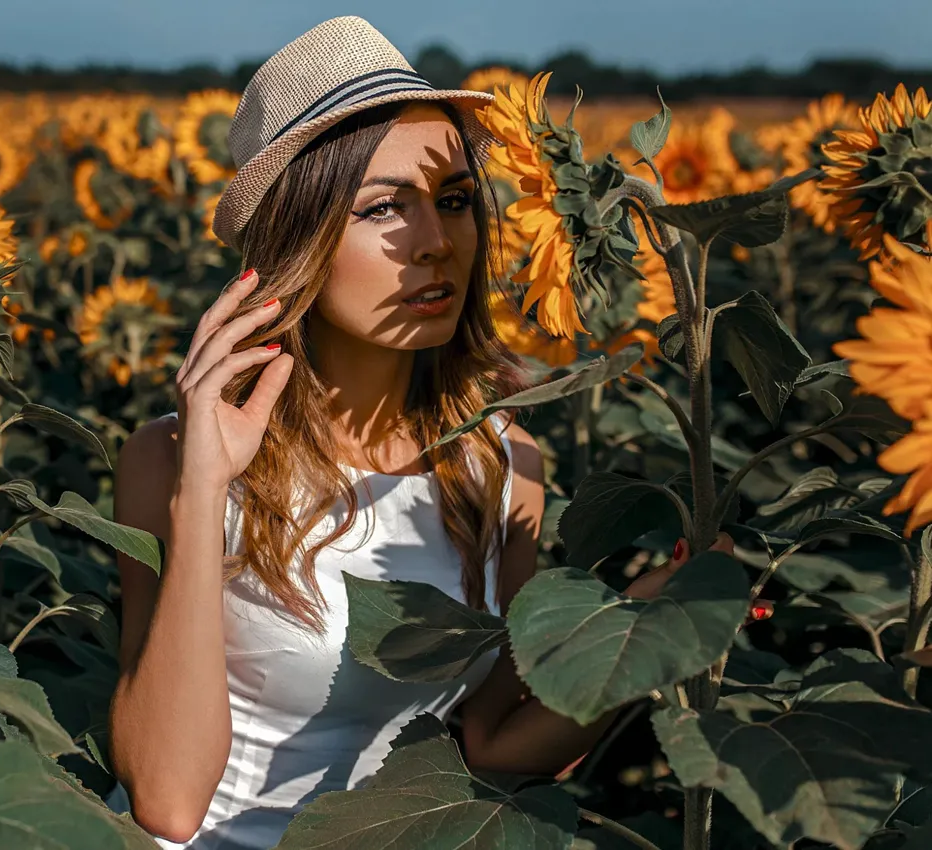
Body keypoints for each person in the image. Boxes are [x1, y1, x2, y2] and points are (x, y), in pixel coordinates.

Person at [103, 15, 753, 849]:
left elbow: (491, 748)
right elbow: (165, 801)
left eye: (451, 202)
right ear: (296, 239)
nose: (436, 244)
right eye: (383, 209)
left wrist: (646, 623)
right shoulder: (172, 458)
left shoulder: (500, 461)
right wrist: (202, 493)